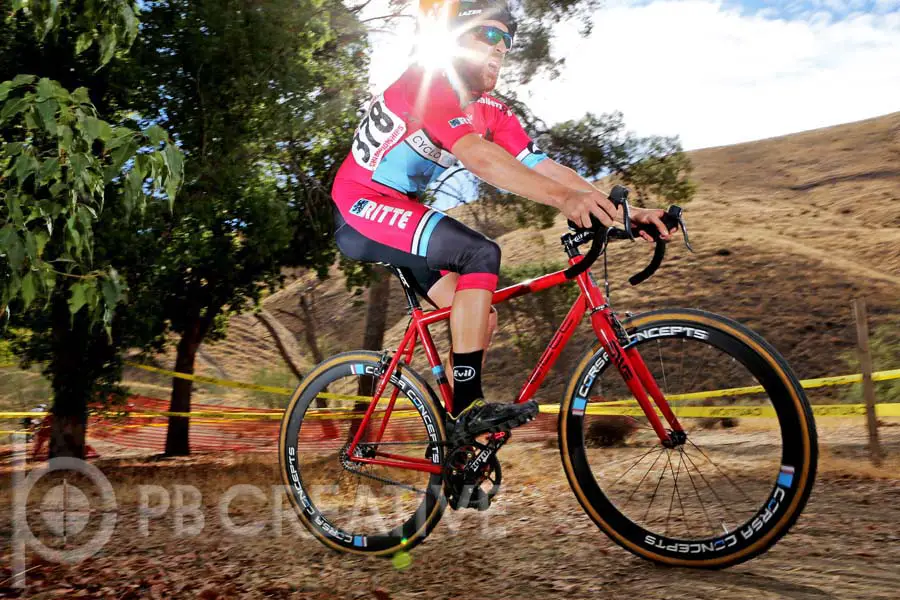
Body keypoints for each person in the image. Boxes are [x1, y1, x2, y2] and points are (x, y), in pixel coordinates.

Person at [330, 0, 673, 438]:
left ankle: (455, 440)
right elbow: (479, 158)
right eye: (487, 35)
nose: (500, 48)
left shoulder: (492, 110)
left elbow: (544, 167)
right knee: (480, 253)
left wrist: (624, 212)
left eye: (506, 40)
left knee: (479, 319)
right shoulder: (429, 82)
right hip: (359, 206)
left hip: (401, 213)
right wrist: (564, 201)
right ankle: (470, 408)